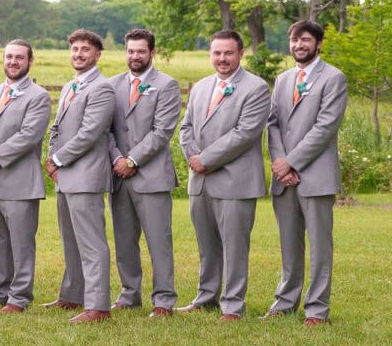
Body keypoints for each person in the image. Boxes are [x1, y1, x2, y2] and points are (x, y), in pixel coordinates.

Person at [177, 30, 271, 321]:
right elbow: (186, 128)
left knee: (234, 246)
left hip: (235, 181)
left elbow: (245, 134)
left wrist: (205, 159)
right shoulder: (202, 86)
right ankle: (206, 297)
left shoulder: (256, 88)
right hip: (200, 180)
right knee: (207, 244)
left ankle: (232, 305)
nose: (222, 59)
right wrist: (194, 159)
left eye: (228, 53)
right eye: (216, 53)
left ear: (241, 54)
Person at [264, 20, 347, 326]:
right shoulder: (284, 79)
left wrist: (292, 162)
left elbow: (325, 127)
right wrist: (280, 162)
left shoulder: (334, 78)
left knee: (320, 247)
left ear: (319, 44)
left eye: (306, 40)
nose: (299, 45)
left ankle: (316, 309)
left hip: (316, 176)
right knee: (289, 244)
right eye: (295, 40)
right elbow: (272, 124)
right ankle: (285, 302)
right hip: (283, 177)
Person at [107, 28, 181, 316]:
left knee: (158, 241)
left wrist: (132, 160)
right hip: (118, 175)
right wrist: (116, 158)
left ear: (152, 52)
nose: (135, 56)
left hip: (151, 176)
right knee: (124, 240)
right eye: (130, 51)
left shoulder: (167, 85)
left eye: (141, 51)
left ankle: (163, 300)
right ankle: (129, 294)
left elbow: (162, 132)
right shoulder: (112, 85)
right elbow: (106, 130)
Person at [44, 29, 117, 323]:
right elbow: (57, 128)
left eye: (85, 50)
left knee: (91, 242)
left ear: (97, 54)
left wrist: (58, 159)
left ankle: (98, 306)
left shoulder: (102, 88)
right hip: (65, 175)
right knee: (70, 239)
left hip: (85, 175)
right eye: (74, 49)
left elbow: (90, 133)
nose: (78, 54)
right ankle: (73, 295)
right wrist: (51, 158)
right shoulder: (69, 86)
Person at [0, 39, 51, 312]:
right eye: (8, 57)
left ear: (30, 61)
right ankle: (0, 292)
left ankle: (20, 297)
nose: (13, 62)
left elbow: (29, 136)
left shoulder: (38, 96)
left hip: (20, 182)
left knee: (21, 244)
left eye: (19, 57)